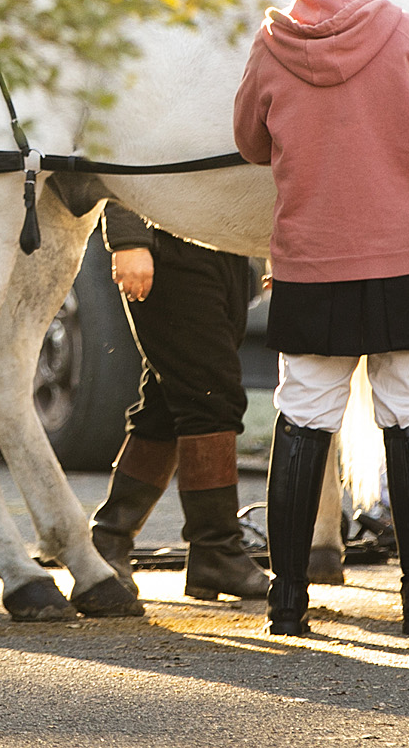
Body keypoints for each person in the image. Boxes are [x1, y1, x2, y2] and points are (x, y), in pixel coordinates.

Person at [232, 0, 409, 639]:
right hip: (408, 259)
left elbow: (249, 142)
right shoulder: (404, 31)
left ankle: (287, 604)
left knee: (303, 418)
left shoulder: (272, 44)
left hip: (312, 262)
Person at [83, 197, 270, 603]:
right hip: (167, 242)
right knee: (210, 396)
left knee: (169, 401)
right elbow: (129, 143)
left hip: (227, 246)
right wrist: (128, 238)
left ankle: (110, 538)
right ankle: (216, 550)